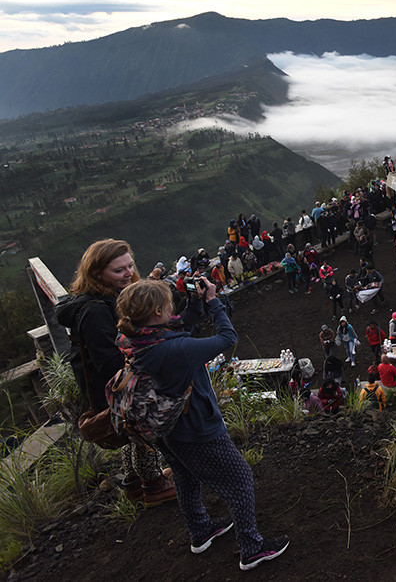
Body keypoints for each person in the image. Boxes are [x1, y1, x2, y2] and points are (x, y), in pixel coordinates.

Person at [114, 278, 288, 569]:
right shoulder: (174, 349)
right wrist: (213, 303)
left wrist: (195, 305)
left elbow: (178, 331)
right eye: (169, 303)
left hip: (166, 427)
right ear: (158, 311)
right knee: (240, 478)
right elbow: (227, 339)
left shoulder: (137, 340)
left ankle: (201, 531)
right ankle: (252, 547)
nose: (174, 307)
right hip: (197, 427)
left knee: (185, 476)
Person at [55, 239, 176, 506]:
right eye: (118, 270)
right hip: (114, 387)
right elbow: (109, 362)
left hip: (112, 385)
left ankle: (133, 482)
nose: (128, 273)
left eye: (130, 266)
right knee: (142, 430)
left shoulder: (105, 300)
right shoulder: (96, 311)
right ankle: (154, 485)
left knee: (130, 432)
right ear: (97, 274)